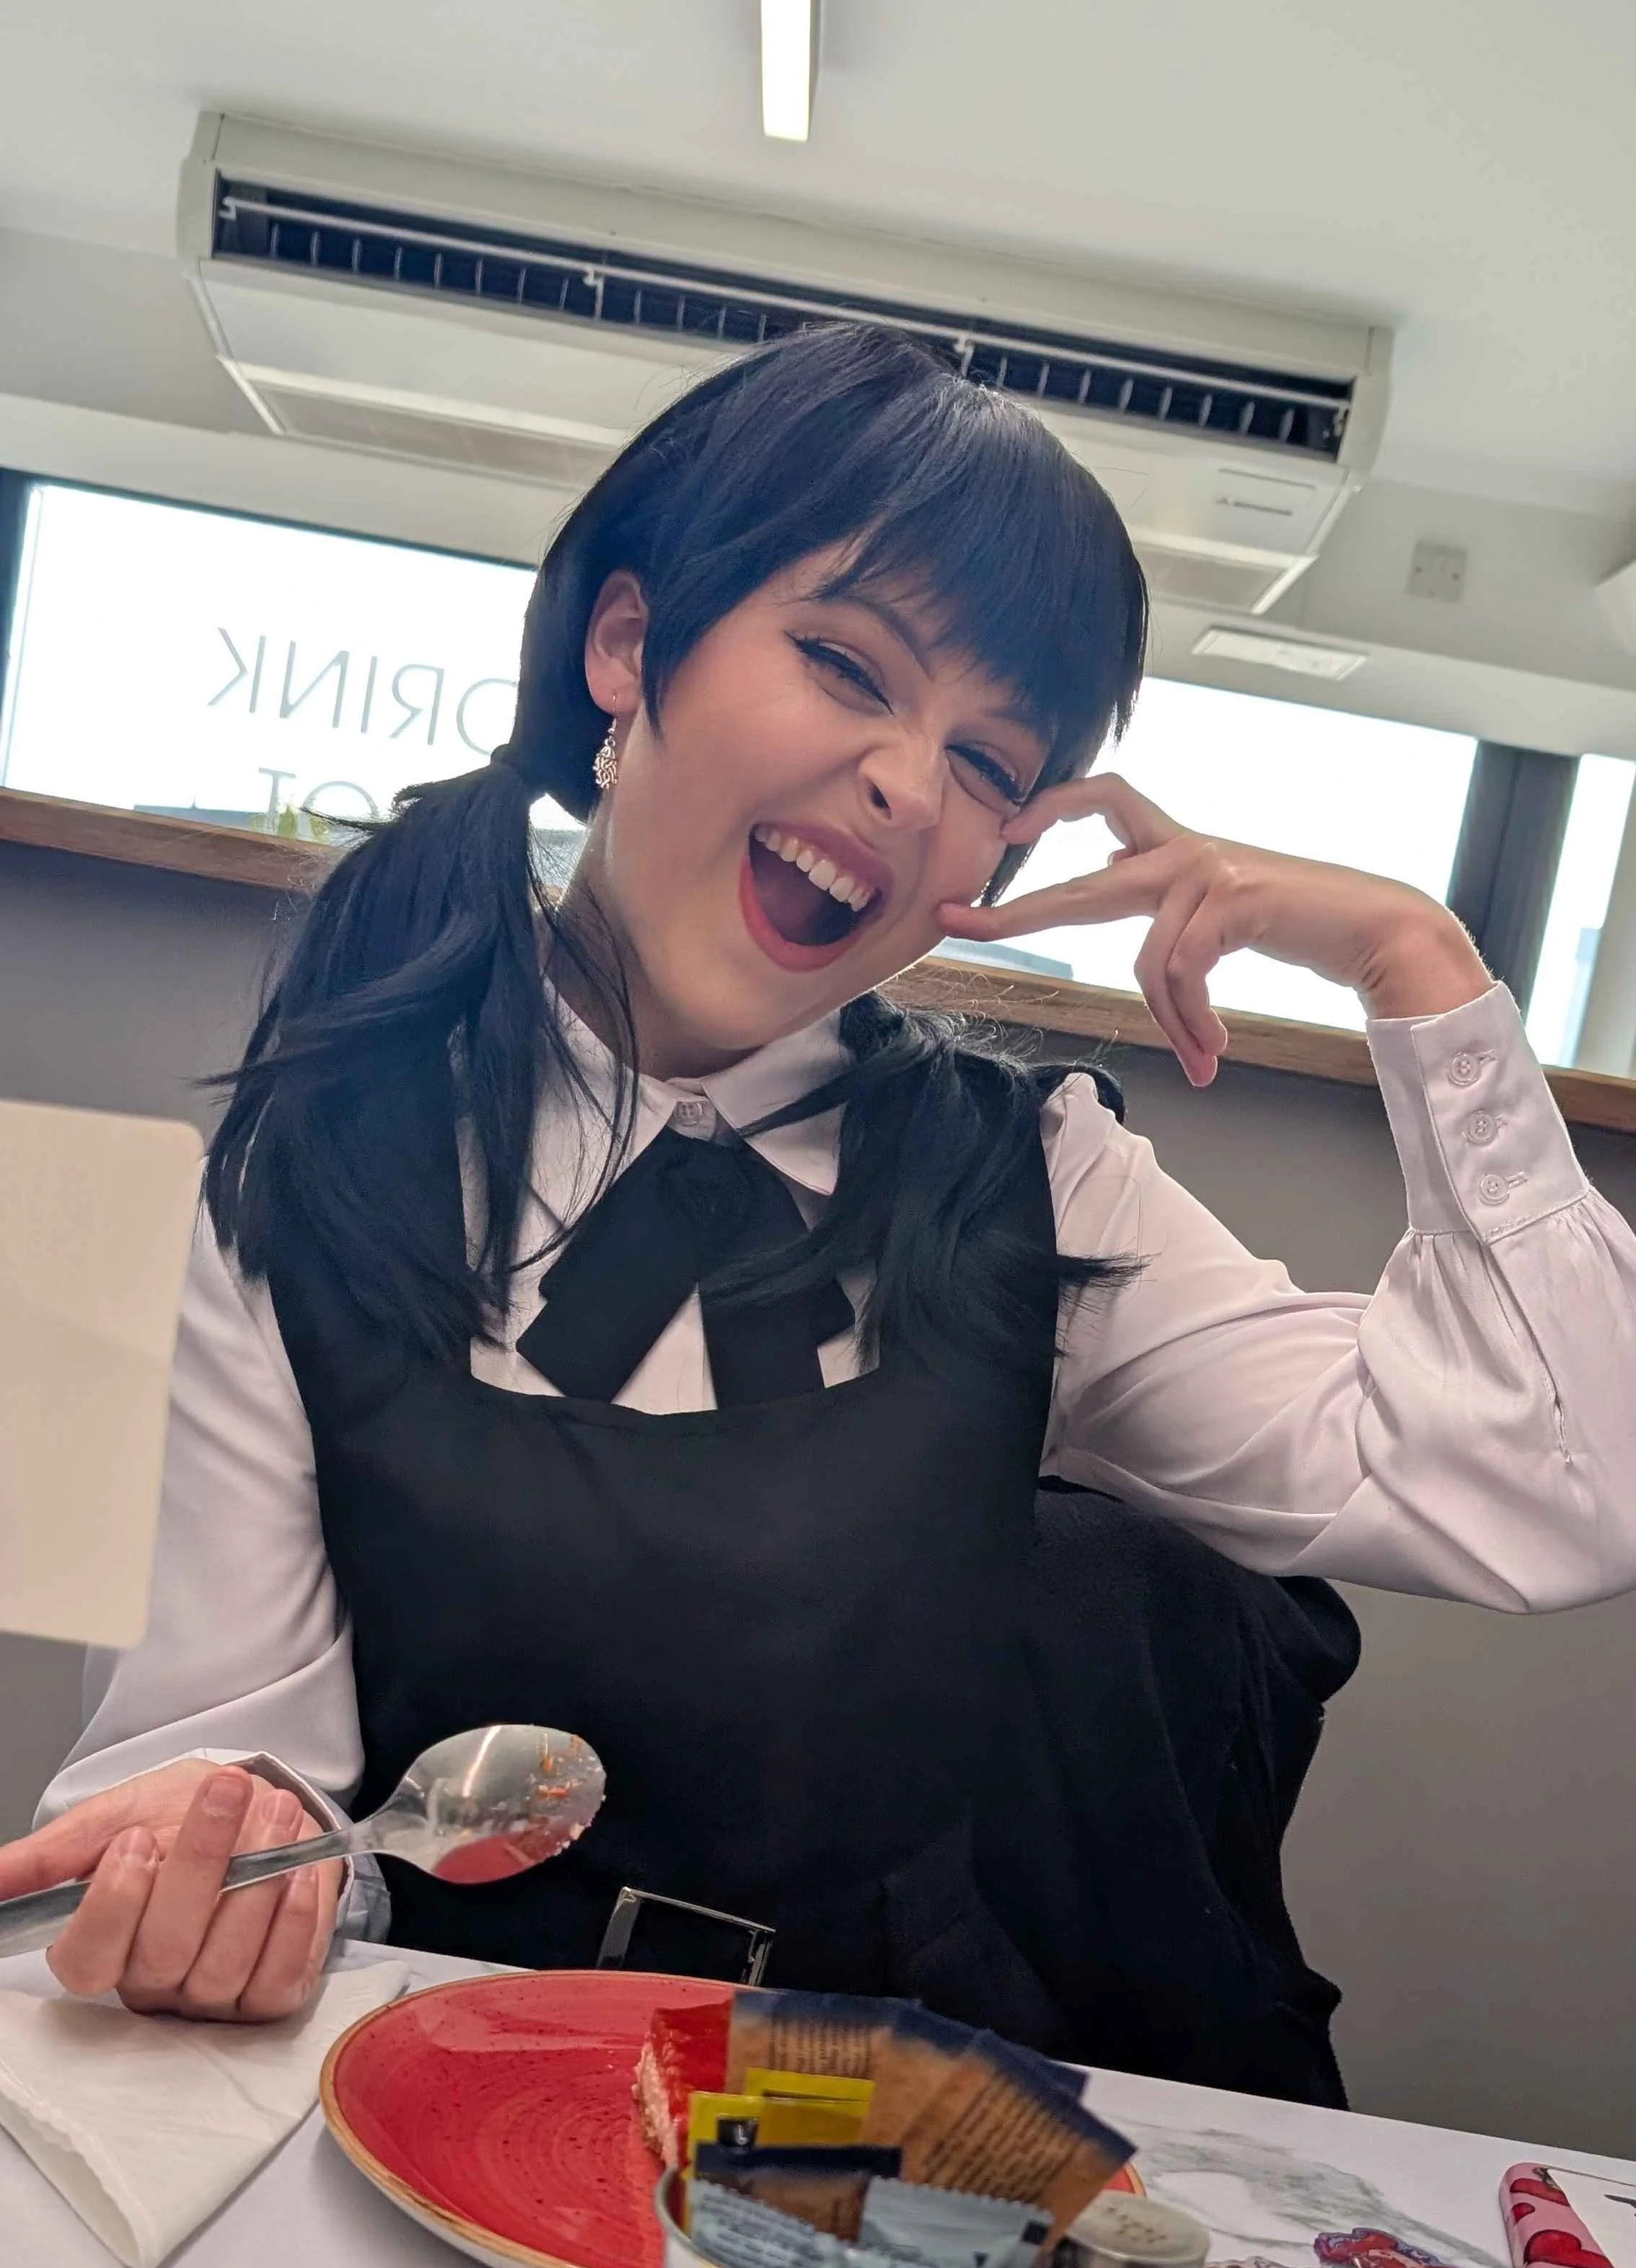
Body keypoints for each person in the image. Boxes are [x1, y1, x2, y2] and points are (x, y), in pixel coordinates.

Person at [4, 322, 1634, 2070]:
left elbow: (1562, 1480)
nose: (914, 785)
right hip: (434, 2083)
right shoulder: (320, 1169)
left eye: (994, 764)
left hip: (860, 2164)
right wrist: (224, 1841)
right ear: (632, 646)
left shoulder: (1041, 1179)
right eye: (849, 667)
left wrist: (1416, 957)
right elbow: (237, 1739)